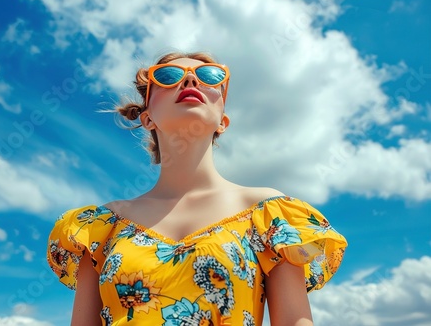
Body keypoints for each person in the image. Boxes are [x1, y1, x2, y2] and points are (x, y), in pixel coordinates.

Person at [47, 51, 348, 326]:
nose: (190, 79)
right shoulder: (99, 229)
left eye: (210, 76)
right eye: (167, 77)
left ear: (223, 121)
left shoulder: (271, 215)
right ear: (147, 118)